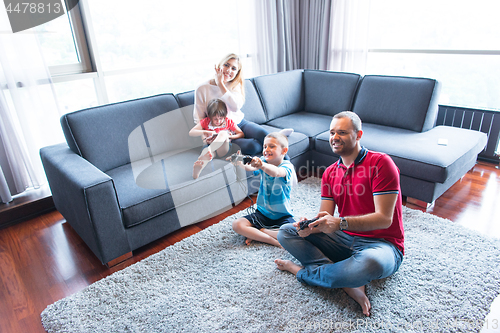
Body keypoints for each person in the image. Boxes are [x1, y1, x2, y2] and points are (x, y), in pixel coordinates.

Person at [274, 111, 404, 317]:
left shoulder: (381, 164)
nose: (334, 137)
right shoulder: (330, 173)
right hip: (345, 239)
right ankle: (345, 279)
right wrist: (311, 226)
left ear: (358, 135)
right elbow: (325, 215)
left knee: (372, 263)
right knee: (286, 232)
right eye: (332, 132)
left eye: (342, 132)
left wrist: (340, 223)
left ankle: (301, 272)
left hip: (382, 245)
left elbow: (384, 218)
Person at [193, 53, 293, 156]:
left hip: (240, 123)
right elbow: (199, 117)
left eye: (233, 68)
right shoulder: (202, 87)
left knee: (266, 136)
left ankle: (286, 166)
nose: (229, 70)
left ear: (237, 73)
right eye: (226, 65)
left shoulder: (235, 84)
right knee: (255, 146)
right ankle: (273, 137)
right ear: (219, 65)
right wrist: (205, 138)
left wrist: (221, 85)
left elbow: (235, 107)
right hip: (224, 131)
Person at [231, 132, 297, 247]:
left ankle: (260, 233)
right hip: (262, 213)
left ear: (284, 151)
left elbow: (276, 172)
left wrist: (261, 165)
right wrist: (240, 163)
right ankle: (271, 240)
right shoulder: (264, 161)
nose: (266, 149)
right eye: (265, 146)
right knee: (237, 224)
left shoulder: (287, 166)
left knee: (297, 232)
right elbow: (250, 167)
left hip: (282, 215)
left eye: (272, 146)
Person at [189, 98, 244, 179]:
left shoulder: (228, 122)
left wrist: (229, 136)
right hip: (211, 149)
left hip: (223, 148)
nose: (218, 121)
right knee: (206, 157)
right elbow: (191, 132)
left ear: (224, 116)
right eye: (215, 119)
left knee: (223, 133)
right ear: (210, 117)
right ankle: (197, 172)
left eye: (221, 118)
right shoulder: (206, 122)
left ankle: (209, 150)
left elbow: (241, 133)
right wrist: (205, 132)